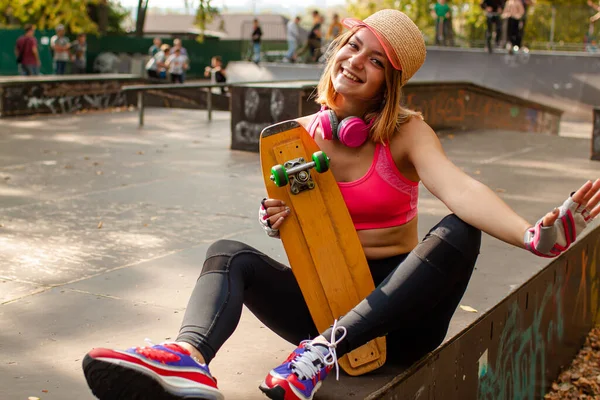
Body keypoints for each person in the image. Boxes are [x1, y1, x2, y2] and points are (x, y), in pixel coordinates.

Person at [81, 9, 600, 400]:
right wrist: (284, 221)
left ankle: (321, 354)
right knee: (227, 253)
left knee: (460, 230)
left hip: (401, 321)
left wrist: (533, 235)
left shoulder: (405, 133)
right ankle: (189, 358)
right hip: (326, 302)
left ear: (387, 85)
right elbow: (303, 233)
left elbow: (461, 189)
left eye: (377, 61)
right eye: (354, 47)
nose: (357, 62)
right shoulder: (300, 138)